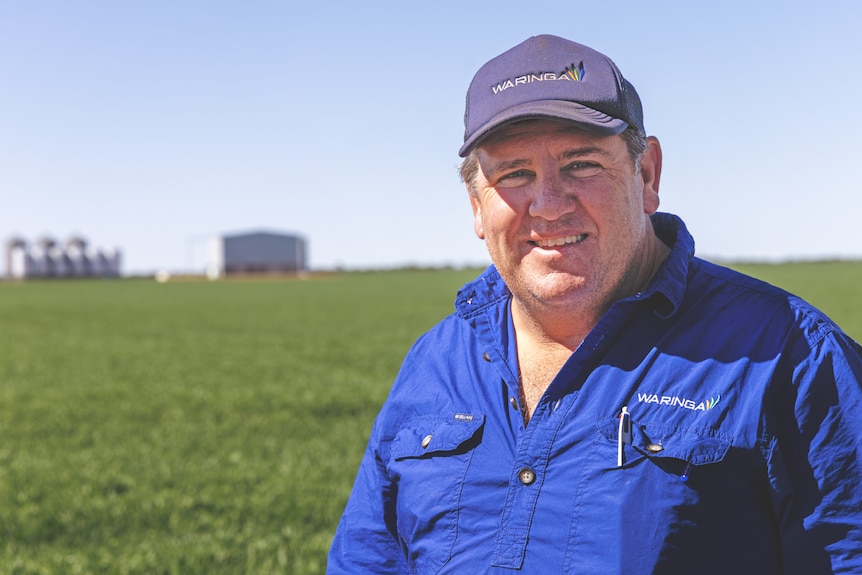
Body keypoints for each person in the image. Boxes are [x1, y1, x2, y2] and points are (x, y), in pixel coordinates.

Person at [327, 34, 862, 574]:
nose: (550, 204)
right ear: (476, 205)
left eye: (581, 164)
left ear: (646, 174)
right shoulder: (435, 363)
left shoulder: (789, 355)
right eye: (514, 174)